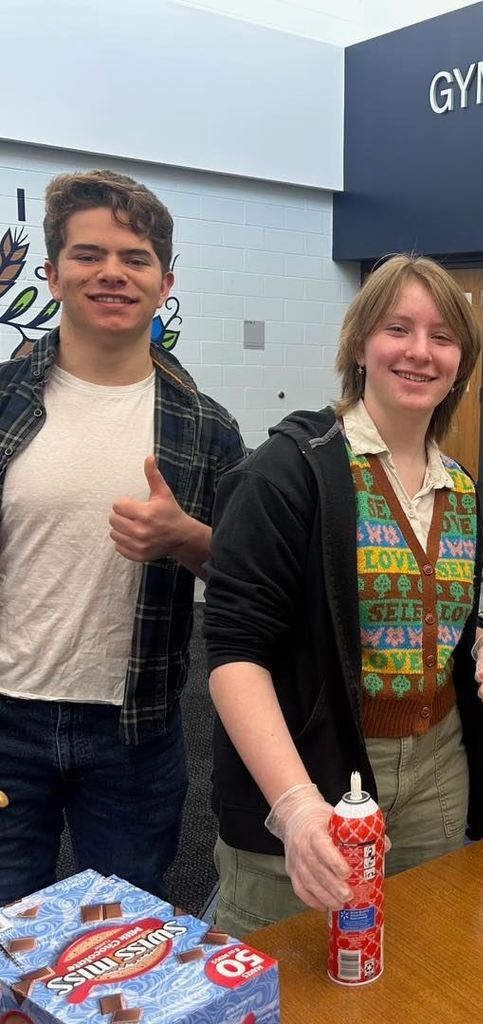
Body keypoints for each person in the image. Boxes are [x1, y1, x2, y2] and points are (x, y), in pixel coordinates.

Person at [204, 254, 483, 934]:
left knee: (424, 962)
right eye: (398, 329)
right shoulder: (288, 473)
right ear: (360, 343)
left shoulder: (461, 487)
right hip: (313, 764)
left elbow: (446, 617)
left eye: (442, 337)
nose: (420, 352)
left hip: (440, 764)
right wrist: (295, 807)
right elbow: (236, 652)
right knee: (290, 974)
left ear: (462, 360)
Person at [0, 169, 247, 903]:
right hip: (5, 719)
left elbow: (247, 575)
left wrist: (186, 538)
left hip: (135, 730)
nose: (112, 272)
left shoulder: (207, 427)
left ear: (164, 281)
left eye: (135, 258)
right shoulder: (3, 402)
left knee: (126, 933)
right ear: (51, 273)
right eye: (88, 254)